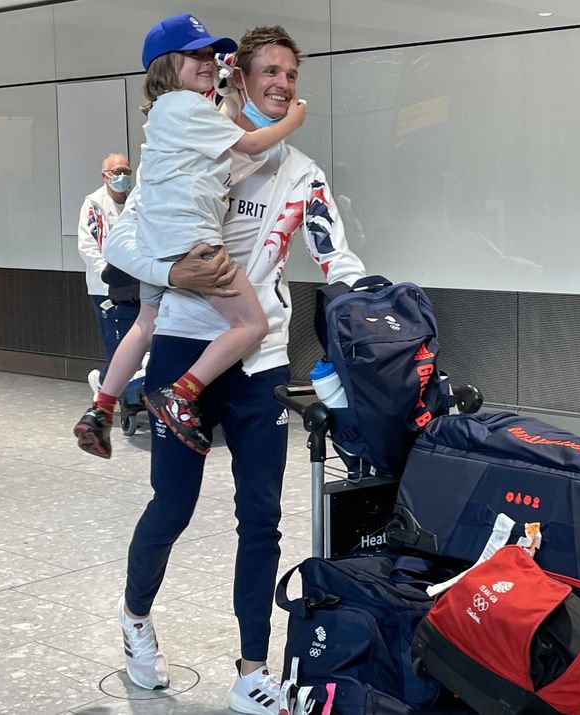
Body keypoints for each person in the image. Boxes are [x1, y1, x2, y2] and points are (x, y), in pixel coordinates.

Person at [102, 25, 366, 714]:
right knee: (172, 505)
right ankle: (135, 617)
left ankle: (253, 667)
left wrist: (373, 305)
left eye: (290, 73)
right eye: (268, 72)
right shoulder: (192, 136)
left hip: (262, 362)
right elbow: (125, 241)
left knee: (262, 519)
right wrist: (170, 270)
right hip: (184, 349)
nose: (281, 84)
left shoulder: (302, 171)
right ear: (239, 78)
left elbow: (337, 255)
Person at [73, 13, 305, 459]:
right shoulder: (189, 109)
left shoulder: (175, 116)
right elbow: (250, 143)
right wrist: (295, 118)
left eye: (210, 55)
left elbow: (227, 119)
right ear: (165, 64)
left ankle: (100, 408)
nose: (207, 62)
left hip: (162, 242)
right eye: (194, 55)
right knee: (253, 324)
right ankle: (182, 394)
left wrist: (230, 85)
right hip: (192, 241)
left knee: (144, 324)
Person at [77, 153, 136, 385]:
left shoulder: (135, 202)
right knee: (115, 342)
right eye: (117, 172)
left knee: (134, 344)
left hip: (135, 286)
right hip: (105, 287)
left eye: (126, 171)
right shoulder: (94, 203)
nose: (122, 176)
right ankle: (106, 384)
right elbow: (87, 243)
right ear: (105, 176)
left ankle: (120, 386)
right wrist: (107, 274)